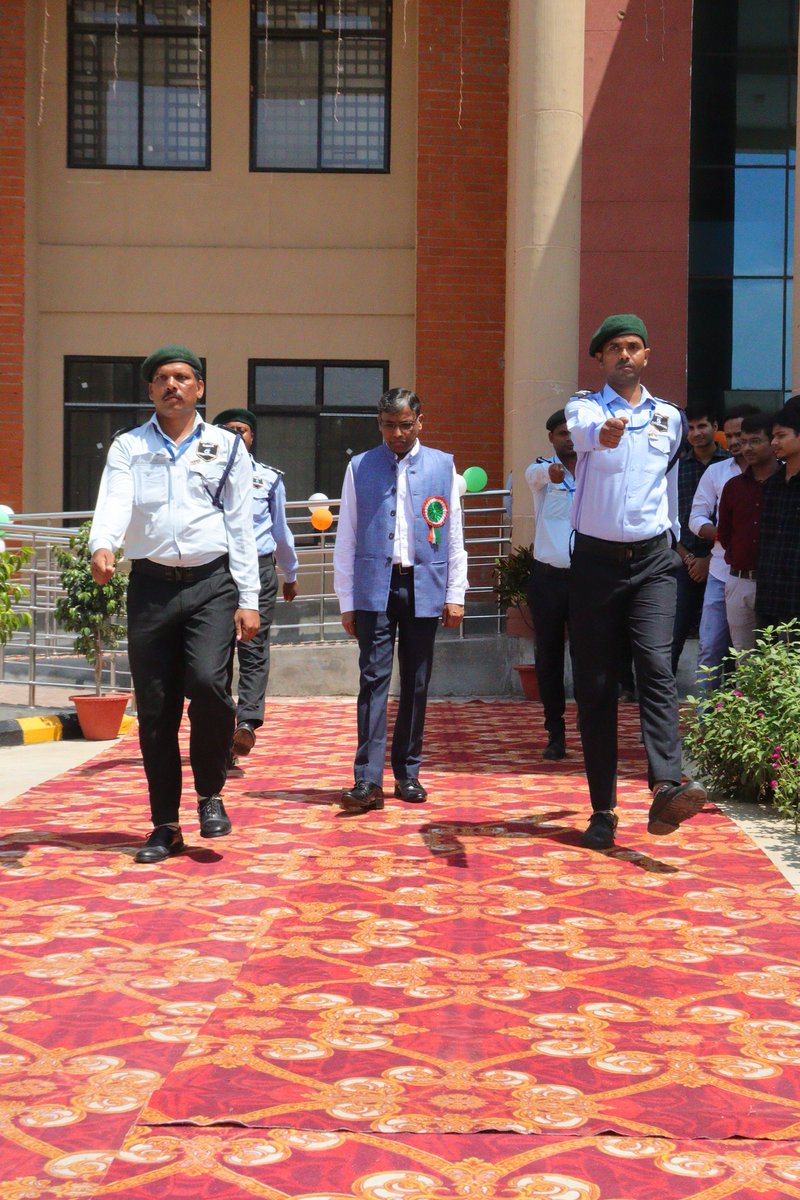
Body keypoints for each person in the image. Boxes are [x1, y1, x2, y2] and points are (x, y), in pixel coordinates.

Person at [89, 346, 260, 864]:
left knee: (209, 685)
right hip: (151, 587)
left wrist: (249, 597)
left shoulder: (227, 447)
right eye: (162, 378)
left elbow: (241, 526)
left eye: (183, 377)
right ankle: (165, 824)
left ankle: (211, 793)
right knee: (157, 711)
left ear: (200, 388)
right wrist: (104, 544)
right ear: (150, 390)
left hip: (211, 584)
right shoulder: (129, 447)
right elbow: (114, 500)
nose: (172, 386)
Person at [565, 313, 706, 851]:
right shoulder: (586, 407)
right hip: (596, 564)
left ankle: (667, 784)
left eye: (634, 347)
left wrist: (672, 542)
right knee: (596, 687)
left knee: (654, 665)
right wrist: (602, 433)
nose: (625, 355)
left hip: (652, 561)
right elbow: (582, 433)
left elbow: (667, 486)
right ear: (600, 359)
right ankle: (603, 810)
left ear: (646, 355)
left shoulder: (670, 417)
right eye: (614, 349)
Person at [333, 387, 468, 813]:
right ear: (379, 424)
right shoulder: (359, 467)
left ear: (419, 423)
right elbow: (347, 535)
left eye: (405, 425)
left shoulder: (443, 467)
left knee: (416, 681)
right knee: (373, 682)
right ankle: (367, 780)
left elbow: (455, 535)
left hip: (424, 585)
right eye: (389, 425)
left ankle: (408, 773)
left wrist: (455, 593)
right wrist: (346, 599)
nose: (397, 433)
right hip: (375, 587)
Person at [212, 409, 298, 763]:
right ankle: (219, 732)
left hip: (260, 569)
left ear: (252, 437)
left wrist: (290, 573)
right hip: (216, 570)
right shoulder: (203, 476)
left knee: (253, 647)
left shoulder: (269, 480)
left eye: (242, 431)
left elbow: (281, 530)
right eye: (227, 430)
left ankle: (245, 722)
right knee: (216, 653)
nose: (236, 436)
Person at [688, 405, 759, 691]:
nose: (732, 442)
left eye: (739, 434)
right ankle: (706, 725)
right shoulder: (718, 472)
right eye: (727, 436)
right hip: (720, 572)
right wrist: (724, 535)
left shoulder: (778, 472)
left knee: (754, 656)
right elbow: (696, 518)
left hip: (763, 575)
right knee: (709, 651)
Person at [524, 409, 576, 760]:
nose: (568, 438)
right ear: (551, 438)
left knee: (591, 656)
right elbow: (539, 475)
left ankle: (594, 726)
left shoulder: (597, 471)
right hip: (548, 579)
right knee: (549, 656)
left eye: (573, 432)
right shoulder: (540, 470)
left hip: (588, 579)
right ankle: (554, 732)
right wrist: (552, 471)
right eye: (561, 432)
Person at [671, 405, 729, 673]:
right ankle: (661, 693)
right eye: (691, 428)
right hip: (683, 562)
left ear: (715, 427)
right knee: (673, 630)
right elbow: (670, 518)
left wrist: (709, 559)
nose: (696, 433)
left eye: (702, 426)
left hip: (725, 562)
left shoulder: (730, 465)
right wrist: (690, 559)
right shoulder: (676, 469)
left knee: (721, 636)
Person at [717, 412, 778, 651]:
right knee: (744, 658)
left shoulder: (789, 483)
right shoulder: (733, 487)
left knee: (784, 657)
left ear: (773, 442)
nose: (747, 448)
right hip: (740, 580)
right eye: (743, 442)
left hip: (779, 582)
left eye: (755, 441)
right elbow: (725, 533)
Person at [756, 398, 800, 632]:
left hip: (796, 595)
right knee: (767, 666)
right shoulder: (771, 485)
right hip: (770, 596)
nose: (774, 443)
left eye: (781, 436)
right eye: (772, 436)